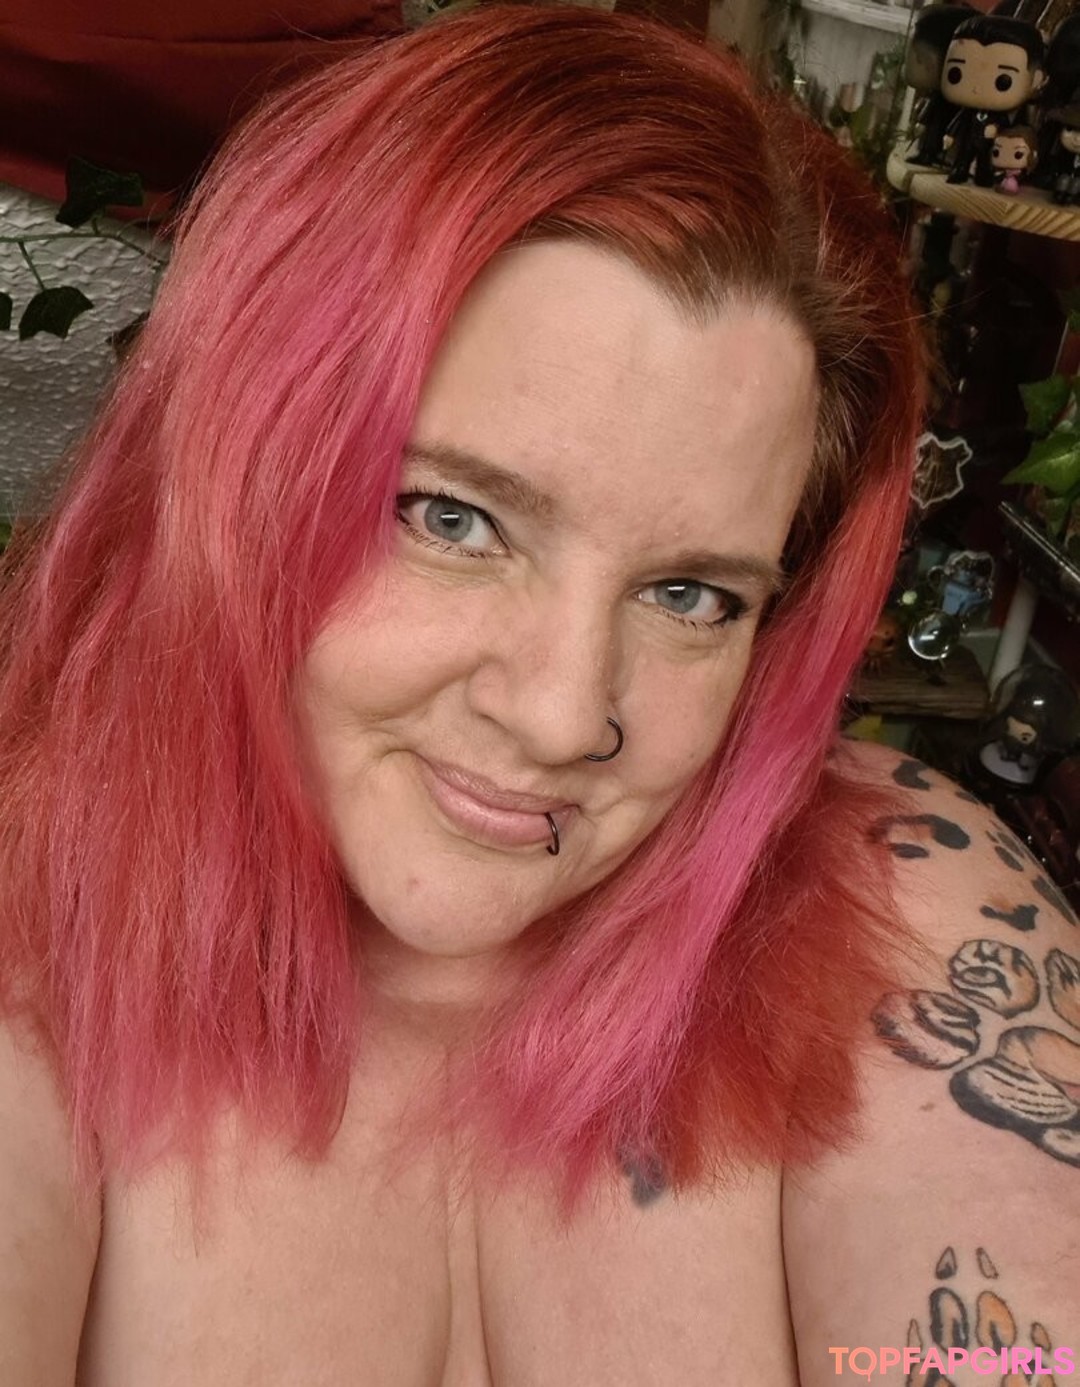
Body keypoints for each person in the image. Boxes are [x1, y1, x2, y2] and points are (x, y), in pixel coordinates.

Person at [0, 7, 1076, 1384]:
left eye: (691, 596)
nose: (567, 718)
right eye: (451, 519)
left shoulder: (889, 894)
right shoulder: (34, 948)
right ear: (232, 474)